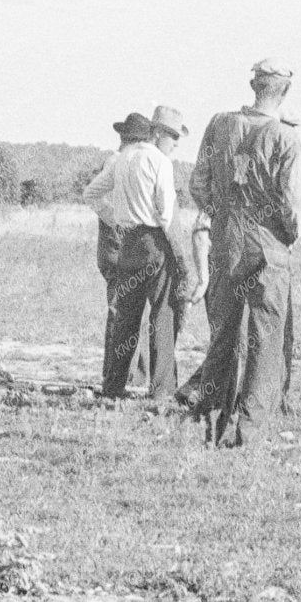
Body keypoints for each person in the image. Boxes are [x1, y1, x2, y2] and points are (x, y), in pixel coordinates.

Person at [189, 59, 301, 447]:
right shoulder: (286, 139)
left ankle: (211, 421)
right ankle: (248, 432)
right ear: (285, 92)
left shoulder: (218, 124)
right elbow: (293, 207)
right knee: (266, 337)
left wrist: (220, 212)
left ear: (253, 85)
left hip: (225, 236)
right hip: (267, 241)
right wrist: (287, 236)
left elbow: (198, 184)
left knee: (223, 333)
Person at [95, 104, 191, 402]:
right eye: (173, 135)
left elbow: (91, 194)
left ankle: (113, 387)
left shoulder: (123, 159)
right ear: (159, 132)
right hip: (155, 243)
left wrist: (117, 223)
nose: (175, 143)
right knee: (163, 316)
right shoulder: (160, 162)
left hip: (127, 245)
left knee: (126, 318)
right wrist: (182, 258)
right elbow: (166, 214)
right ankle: (162, 391)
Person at [85, 114, 156, 392]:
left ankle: (128, 374)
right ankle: (116, 374)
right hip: (119, 248)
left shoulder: (121, 161)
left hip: (116, 247)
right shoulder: (120, 162)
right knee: (122, 310)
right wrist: (116, 221)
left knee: (128, 310)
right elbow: (93, 195)